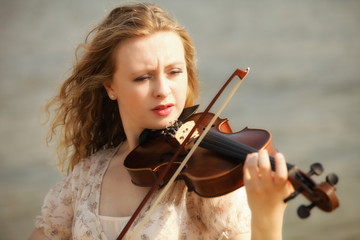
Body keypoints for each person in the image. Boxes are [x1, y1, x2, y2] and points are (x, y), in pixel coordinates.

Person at [29, 3, 292, 240]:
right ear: (111, 86)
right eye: (143, 77)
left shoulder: (204, 184)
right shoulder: (86, 177)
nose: (163, 89)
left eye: (174, 72)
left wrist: (268, 217)